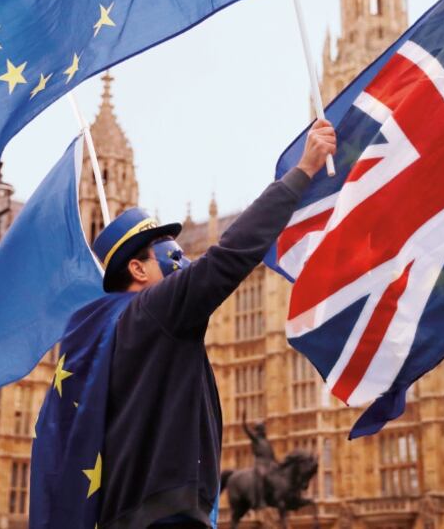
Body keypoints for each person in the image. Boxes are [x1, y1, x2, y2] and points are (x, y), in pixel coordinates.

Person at [93, 119, 336, 528]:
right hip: (165, 515)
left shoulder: (108, 331)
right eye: (168, 254)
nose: (182, 261)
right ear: (137, 268)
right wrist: (303, 171)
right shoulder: (155, 311)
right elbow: (230, 254)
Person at [242, 416, 277, 508]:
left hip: (270, 463)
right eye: (262, 428)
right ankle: (259, 500)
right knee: (261, 475)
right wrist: (243, 420)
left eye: (263, 428)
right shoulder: (256, 439)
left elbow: (272, 454)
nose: (264, 430)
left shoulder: (266, 442)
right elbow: (247, 430)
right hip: (260, 463)